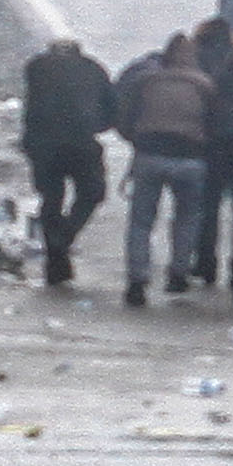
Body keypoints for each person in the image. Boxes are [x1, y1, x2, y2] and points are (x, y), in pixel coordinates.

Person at [114, 28, 214, 311]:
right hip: (190, 158)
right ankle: (178, 273)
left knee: (141, 221)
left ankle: (137, 279)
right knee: (187, 217)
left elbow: (126, 117)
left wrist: (136, 140)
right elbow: (216, 123)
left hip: (150, 155)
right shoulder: (205, 85)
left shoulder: (147, 81)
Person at [20, 36, 116, 288]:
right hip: (80, 143)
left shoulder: (36, 67)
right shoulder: (93, 69)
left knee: (51, 197)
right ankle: (64, 236)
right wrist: (94, 124)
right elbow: (111, 110)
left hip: (42, 143)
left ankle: (55, 254)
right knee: (92, 192)